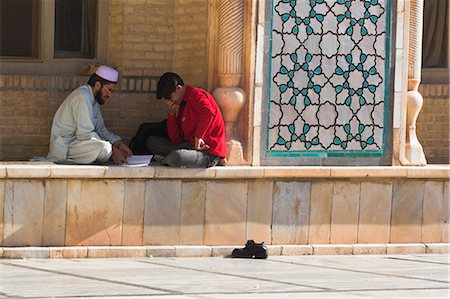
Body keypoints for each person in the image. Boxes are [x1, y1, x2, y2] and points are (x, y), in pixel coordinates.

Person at [47, 65, 133, 165]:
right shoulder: (82, 96)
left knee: (105, 147)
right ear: (97, 85)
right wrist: (113, 150)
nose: (109, 95)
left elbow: (100, 129)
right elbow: (85, 134)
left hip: (78, 145)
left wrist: (118, 144)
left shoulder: (93, 100)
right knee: (104, 148)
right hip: (66, 148)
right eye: (109, 90)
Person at [146, 72, 226, 168]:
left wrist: (199, 137)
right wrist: (171, 115)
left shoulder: (196, 94)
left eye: (170, 97)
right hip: (187, 147)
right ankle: (168, 159)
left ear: (178, 88)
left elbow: (208, 112)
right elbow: (176, 140)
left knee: (177, 157)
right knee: (151, 141)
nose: (170, 102)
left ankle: (165, 160)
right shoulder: (181, 106)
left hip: (207, 153)